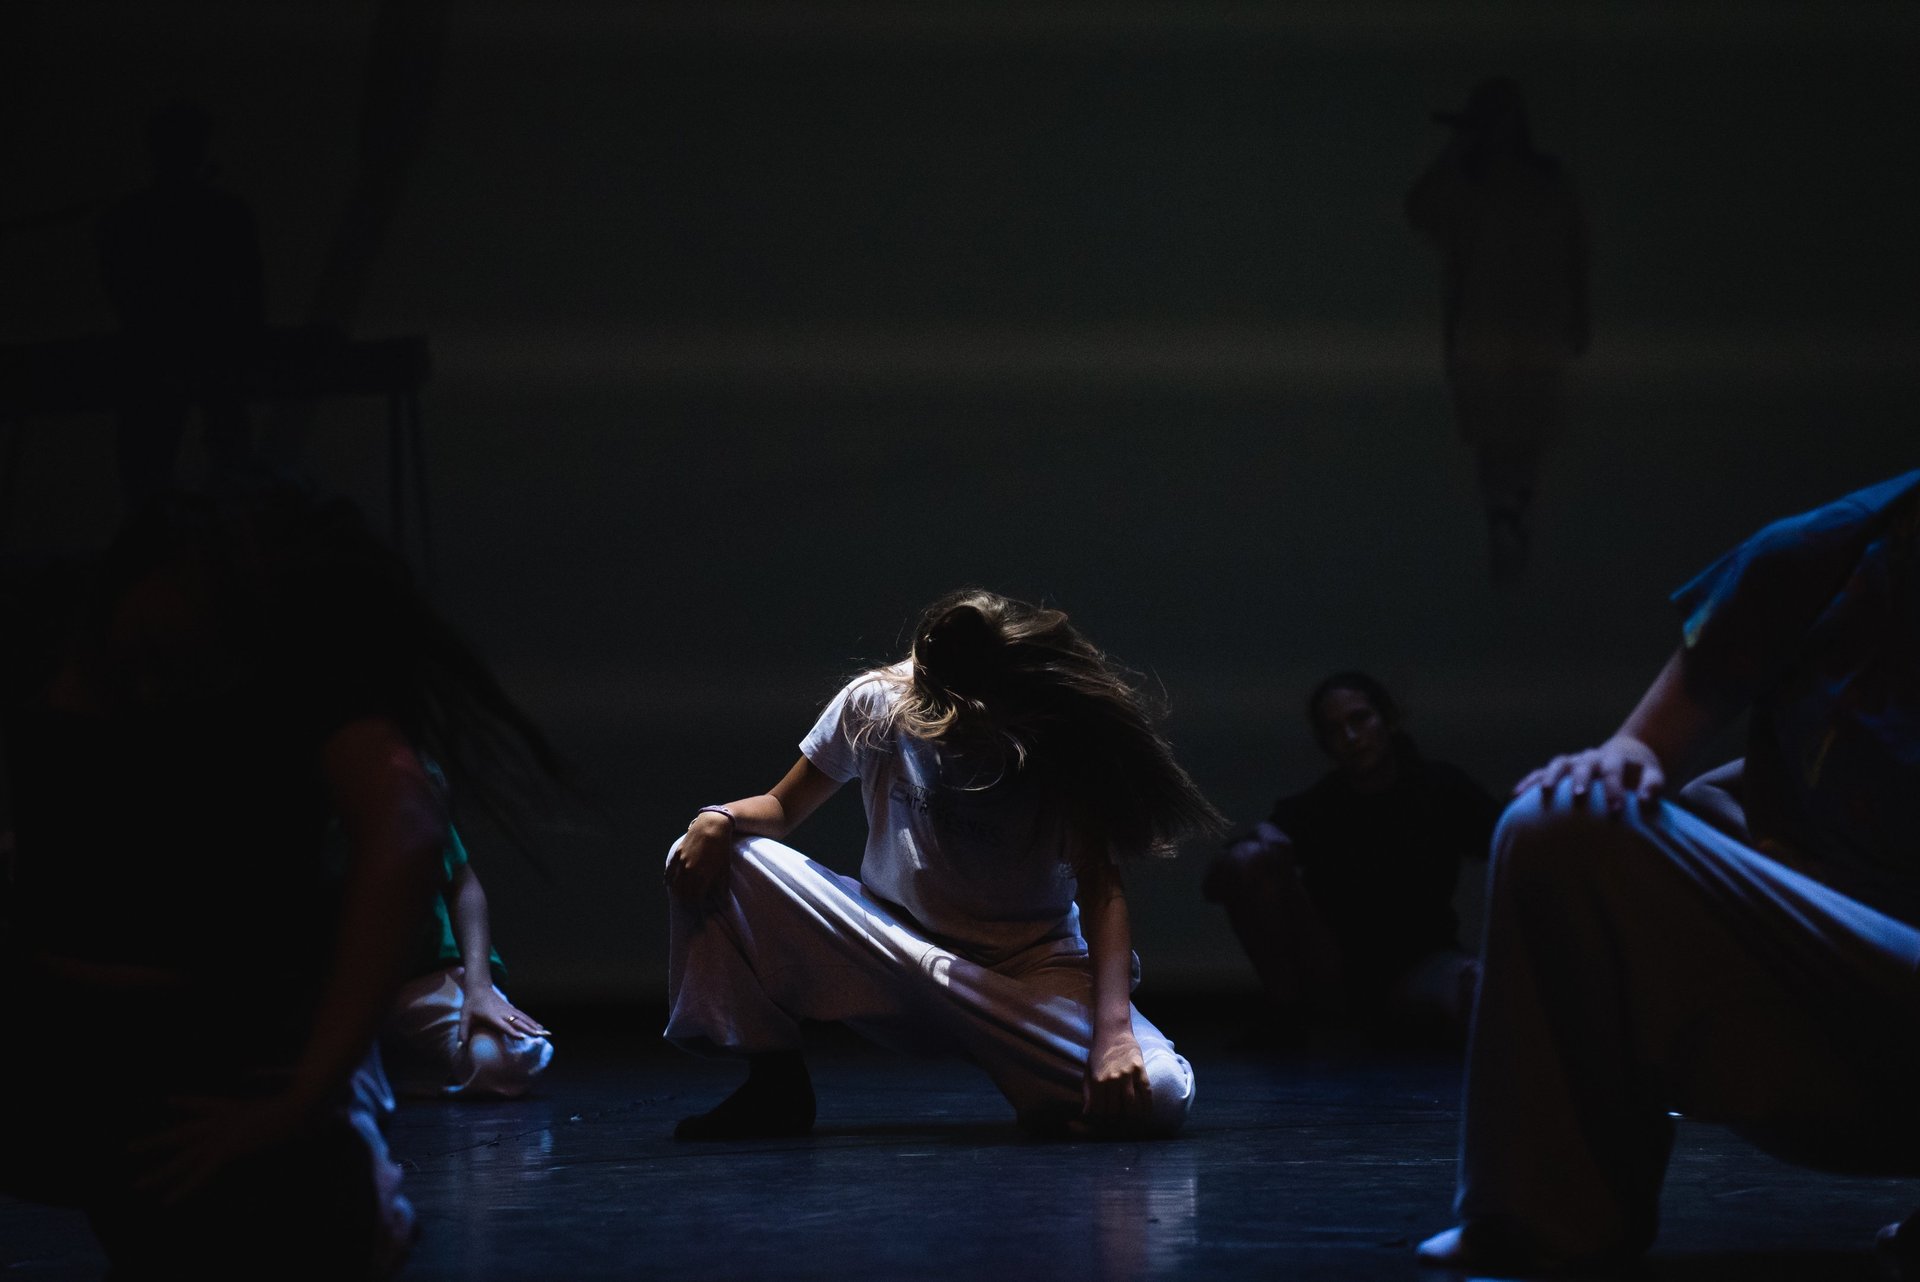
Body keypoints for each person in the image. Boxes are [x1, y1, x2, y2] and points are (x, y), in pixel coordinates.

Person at [0, 485, 561, 1278]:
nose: (152, 691)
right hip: (88, 1046)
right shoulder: (52, 627)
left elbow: (414, 836)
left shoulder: (289, 677)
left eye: (180, 667)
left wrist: (313, 1090)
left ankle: (349, 1151)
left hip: (241, 1030)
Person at [1419, 471, 1920, 1273]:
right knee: (1557, 822)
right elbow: (1641, 751)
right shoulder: (1834, 549)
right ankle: (1546, 1217)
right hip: (1837, 1027)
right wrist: (1623, 758)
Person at [662, 589, 1223, 1140]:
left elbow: (1102, 891)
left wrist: (1114, 1036)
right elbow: (783, 808)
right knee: (718, 853)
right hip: (892, 950)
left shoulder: (1054, 738)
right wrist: (718, 817)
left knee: (1158, 1092)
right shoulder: (878, 701)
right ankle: (774, 1082)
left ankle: (1042, 1081)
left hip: (1022, 975)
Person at [1204, 673, 1498, 1047]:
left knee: (1477, 990)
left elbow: (1507, 846)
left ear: (1387, 719)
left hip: (1424, 963)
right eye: (1334, 730)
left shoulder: (1439, 788)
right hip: (1337, 973)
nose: (1351, 737)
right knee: (1249, 860)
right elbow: (1219, 881)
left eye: (1360, 719)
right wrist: (1259, 848)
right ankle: (1290, 1019)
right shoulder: (1321, 806)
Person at [1406, 77, 1589, 584]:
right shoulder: (1470, 183)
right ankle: (1504, 523)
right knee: (1495, 436)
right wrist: (1458, 148)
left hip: (1530, 328)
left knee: (1524, 435)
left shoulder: (1546, 183)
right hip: (1484, 329)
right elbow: (1419, 210)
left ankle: (1512, 521)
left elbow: (1575, 250)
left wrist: (1579, 314)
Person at [380, 821, 554, 1100]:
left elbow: (462, 881)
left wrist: (480, 987)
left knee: (497, 1058)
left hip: (421, 975)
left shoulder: (408, 795)